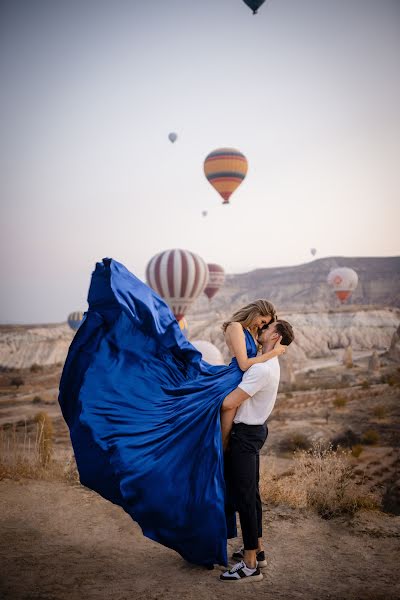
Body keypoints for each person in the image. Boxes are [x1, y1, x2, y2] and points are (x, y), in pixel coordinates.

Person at [58, 258, 284, 569]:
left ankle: (224, 538)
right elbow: (244, 366)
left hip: (228, 385)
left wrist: (269, 353)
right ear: (257, 313)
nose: (265, 325)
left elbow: (250, 370)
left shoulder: (255, 341)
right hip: (224, 385)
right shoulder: (235, 327)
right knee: (178, 422)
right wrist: (271, 354)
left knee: (205, 462)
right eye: (267, 320)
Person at [219, 319, 294, 583]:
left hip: (244, 437)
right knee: (252, 495)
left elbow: (229, 403)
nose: (261, 330)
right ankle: (258, 551)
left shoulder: (261, 370)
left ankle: (250, 566)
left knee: (245, 499)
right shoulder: (267, 363)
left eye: (267, 328)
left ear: (275, 337)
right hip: (255, 432)